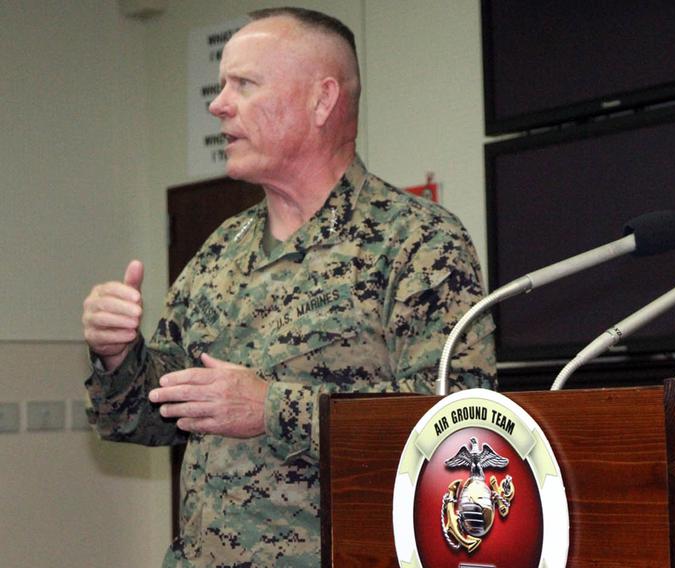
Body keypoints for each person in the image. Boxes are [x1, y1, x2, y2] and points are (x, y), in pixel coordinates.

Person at [81, 7, 496, 565]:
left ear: (322, 101)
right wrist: (116, 356)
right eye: (222, 83)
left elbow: (460, 436)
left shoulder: (417, 242)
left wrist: (273, 408)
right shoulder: (221, 249)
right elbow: (146, 415)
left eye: (244, 85)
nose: (218, 103)